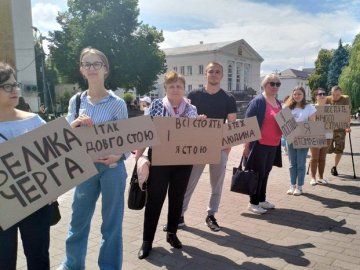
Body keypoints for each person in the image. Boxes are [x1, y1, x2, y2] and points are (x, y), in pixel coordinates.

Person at [59, 47, 128, 270]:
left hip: (112, 168)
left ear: (105, 69)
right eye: (86, 64)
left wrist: (119, 154)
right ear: (81, 69)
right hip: (84, 167)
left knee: (112, 224)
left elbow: (127, 140)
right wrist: (76, 123)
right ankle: (72, 265)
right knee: (78, 221)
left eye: (96, 64)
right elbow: (67, 136)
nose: (91, 68)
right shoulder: (76, 101)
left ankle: (109, 266)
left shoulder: (117, 103)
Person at [135, 71, 198, 259]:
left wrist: (202, 125)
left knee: (177, 198)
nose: (175, 89)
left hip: (183, 161)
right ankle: (147, 241)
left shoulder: (192, 109)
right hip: (160, 159)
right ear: (165, 88)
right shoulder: (155, 106)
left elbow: (197, 134)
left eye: (179, 86)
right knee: (155, 199)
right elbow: (146, 131)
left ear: (184, 89)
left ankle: (172, 234)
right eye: (171, 86)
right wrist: (139, 156)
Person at [0, 62, 51, 270]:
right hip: (3, 206)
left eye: (16, 85)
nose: (15, 90)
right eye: (7, 86)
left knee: (38, 257)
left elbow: (54, 159)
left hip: (35, 202)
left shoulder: (34, 121)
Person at [180, 61, 237, 231]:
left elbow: (232, 125)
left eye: (217, 72)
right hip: (197, 147)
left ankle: (211, 215)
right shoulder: (194, 95)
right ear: (205, 74)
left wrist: (227, 149)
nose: (214, 74)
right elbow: (183, 119)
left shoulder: (228, 98)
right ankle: (179, 214)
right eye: (211, 71)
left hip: (219, 148)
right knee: (189, 182)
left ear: (221, 75)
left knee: (216, 184)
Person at [243, 74, 282, 214]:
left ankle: (261, 200)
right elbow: (248, 124)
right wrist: (246, 146)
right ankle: (253, 202)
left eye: (278, 84)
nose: (275, 87)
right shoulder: (258, 101)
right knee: (257, 173)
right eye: (272, 83)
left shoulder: (278, 103)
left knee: (266, 172)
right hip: (259, 144)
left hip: (273, 144)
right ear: (264, 85)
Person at [285, 86, 316, 196]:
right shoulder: (287, 107)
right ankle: (292, 185)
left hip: (303, 139)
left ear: (303, 95)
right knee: (292, 164)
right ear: (292, 95)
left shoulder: (309, 107)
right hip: (291, 139)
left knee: (301, 164)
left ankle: (299, 186)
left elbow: (312, 124)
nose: (297, 96)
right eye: (295, 94)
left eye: (299, 94)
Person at [326, 85, 351, 176]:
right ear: (331, 93)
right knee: (327, 149)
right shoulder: (327, 99)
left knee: (339, 149)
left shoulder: (345, 99)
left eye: (337, 95)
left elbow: (348, 113)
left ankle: (335, 167)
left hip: (340, 129)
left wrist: (348, 126)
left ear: (341, 93)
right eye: (334, 94)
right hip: (329, 128)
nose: (335, 96)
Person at [309, 88, 332, 185]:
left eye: (324, 94)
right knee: (314, 158)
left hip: (328, 135)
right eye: (320, 94)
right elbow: (309, 122)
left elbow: (336, 121)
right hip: (315, 135)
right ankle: (313, 178)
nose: (322, 95)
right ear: (316, 97)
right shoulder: (311, 107)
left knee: (323, 157)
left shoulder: (331, 107)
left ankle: (321, 177)